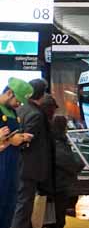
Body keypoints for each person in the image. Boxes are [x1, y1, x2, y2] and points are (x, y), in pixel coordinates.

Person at [12, 79, 53, 228]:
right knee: (24, 205)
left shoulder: (19, 110)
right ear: (42, 95)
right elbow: (26, 139)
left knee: (19, 203)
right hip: (29, 166)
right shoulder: (35, 114)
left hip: (19, 165)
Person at [0, 78, 34, 228]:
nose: (19, 105)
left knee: (9, 204)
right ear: (9, 93)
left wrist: (20, 138)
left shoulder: (13, 112)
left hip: (12, 165)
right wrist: (7, 141)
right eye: (17, 101)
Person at [50, 115, 83, 228]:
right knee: (58, 219)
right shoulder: (58, 143)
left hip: (55, 186)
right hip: (60, 187)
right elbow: (72, 163)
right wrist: (80, 162)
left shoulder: (52, 141)